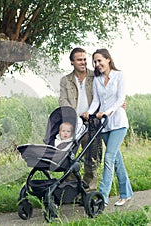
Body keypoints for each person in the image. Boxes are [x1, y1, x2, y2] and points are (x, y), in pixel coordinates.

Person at [82, 48, 133, 206]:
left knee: (109, 158)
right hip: (104, 126)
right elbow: (96, 101)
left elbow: (120, 100)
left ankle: (102, 197)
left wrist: (107, 112)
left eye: (99, 61)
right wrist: (89, 113)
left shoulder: (119, 76)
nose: (97, 64)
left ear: (108, 59)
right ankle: (126, 193)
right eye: (95, 62)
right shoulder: (97, 80)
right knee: (116, 160)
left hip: (118, 123)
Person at [59, 47, 102, 191]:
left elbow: (105, 94)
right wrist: (72, 114)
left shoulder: (95, 76)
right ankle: (72, 188)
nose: (83, 62)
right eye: (79, 60)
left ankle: (89, 190)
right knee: (69, 156)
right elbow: (63, 100)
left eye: (84, 59)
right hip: (74, 124)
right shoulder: (66, 80)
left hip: (91, 123)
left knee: (91, 158)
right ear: (72, 62)